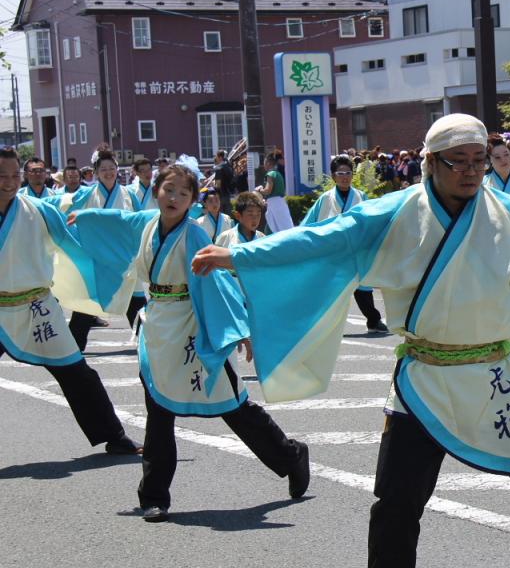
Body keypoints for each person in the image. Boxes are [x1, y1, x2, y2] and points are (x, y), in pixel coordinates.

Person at [192, 114, 510, 568]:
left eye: (478, 160)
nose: (471, 171)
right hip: (423, 379)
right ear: (430, 162)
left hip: (493, 374)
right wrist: (241, 257)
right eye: (457, 161)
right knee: (396, 505)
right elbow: (325, 239)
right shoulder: (396, 212)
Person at [69, 164, 310, 523]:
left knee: (232, 406)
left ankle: (290, 455)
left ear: (192, 200)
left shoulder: (194, 235)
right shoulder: (147, 224)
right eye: (169, 189)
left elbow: (217, 282)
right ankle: (154, 496)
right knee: (158, 410)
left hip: (193, 325)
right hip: (158, 327)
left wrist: (237, 329)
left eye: (183, 193)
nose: (174, 198)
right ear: (156, 191)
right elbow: (120, 221)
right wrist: (88, 218)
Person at [0, 147, 141, 456]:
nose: (9, 182)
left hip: (36, 306)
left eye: (13, 175)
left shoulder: (38, 210)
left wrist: (110, 265)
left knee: (76, 371)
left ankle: (114, 436)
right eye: (2, 176)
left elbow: (73, 246)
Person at [63, 150, 146, 350]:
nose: (108, 172)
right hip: (97, 258)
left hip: (124, 258)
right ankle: (73, 349)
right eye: (103, 169)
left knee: (136, 302)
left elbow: (139, 221)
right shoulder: (86, 194)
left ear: (117, 170)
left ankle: (149, 344)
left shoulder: (129, 195)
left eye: (111, 168)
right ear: (96, 172)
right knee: (87, 304)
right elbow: (67, 215)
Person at [300, 156, 387, 334]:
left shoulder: (360, 196)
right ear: (333, 176)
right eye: (340, 173)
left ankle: (373, 320)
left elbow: (371, 222)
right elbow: (309, 224)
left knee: (363, 286)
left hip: (356, 250)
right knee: (330, 290)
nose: (345, 177)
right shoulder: (325, 199)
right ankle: (322, 325)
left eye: (348, 173)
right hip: (333, 253)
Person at [256, 152, 293, 233]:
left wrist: (259, 190)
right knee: (282, 225)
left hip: (274, 204)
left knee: (279, 228)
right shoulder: (278, 174)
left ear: (268, 163)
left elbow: (267, 190)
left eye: (264, 162)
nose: (264, 165)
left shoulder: (270, 174)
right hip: (280, 202)